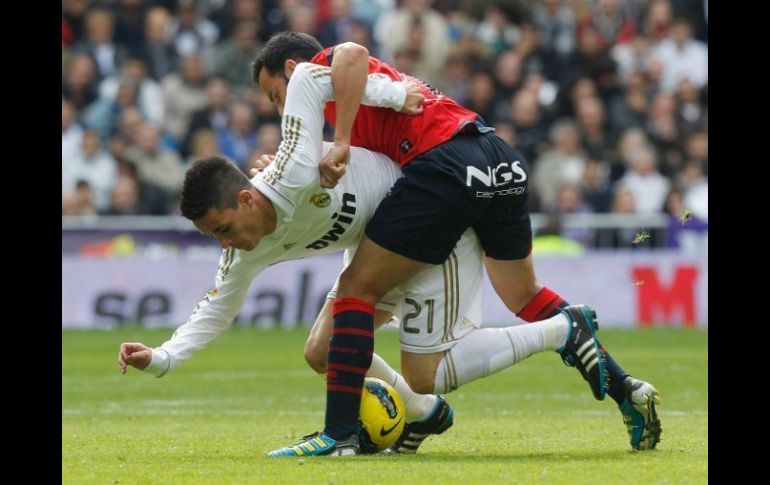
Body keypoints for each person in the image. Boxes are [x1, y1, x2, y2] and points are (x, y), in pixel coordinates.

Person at [118, 64, 604, 457]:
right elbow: (214, 311)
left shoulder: (293, 168)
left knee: (422, 366)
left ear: (246, 199)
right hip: (378, 241)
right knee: (320, 351)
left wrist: (388, 99)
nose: (225, 244)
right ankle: (419, 413)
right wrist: (160, 359)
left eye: (223, 230)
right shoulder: (246, 248)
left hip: (432, 212)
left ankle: (558, 331)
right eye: (213, 238)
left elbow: (311, 74)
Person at [253, 33, 660, 455]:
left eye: (275, 95)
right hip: (495, 155)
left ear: (291, 70)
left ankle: (341, 435)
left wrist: (336, 141)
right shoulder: (363, 102)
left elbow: (351, 54)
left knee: (365, 301)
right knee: (523, 295)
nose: (281, 109)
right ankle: (625, 386)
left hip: (445, 166)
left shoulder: (326, 73)